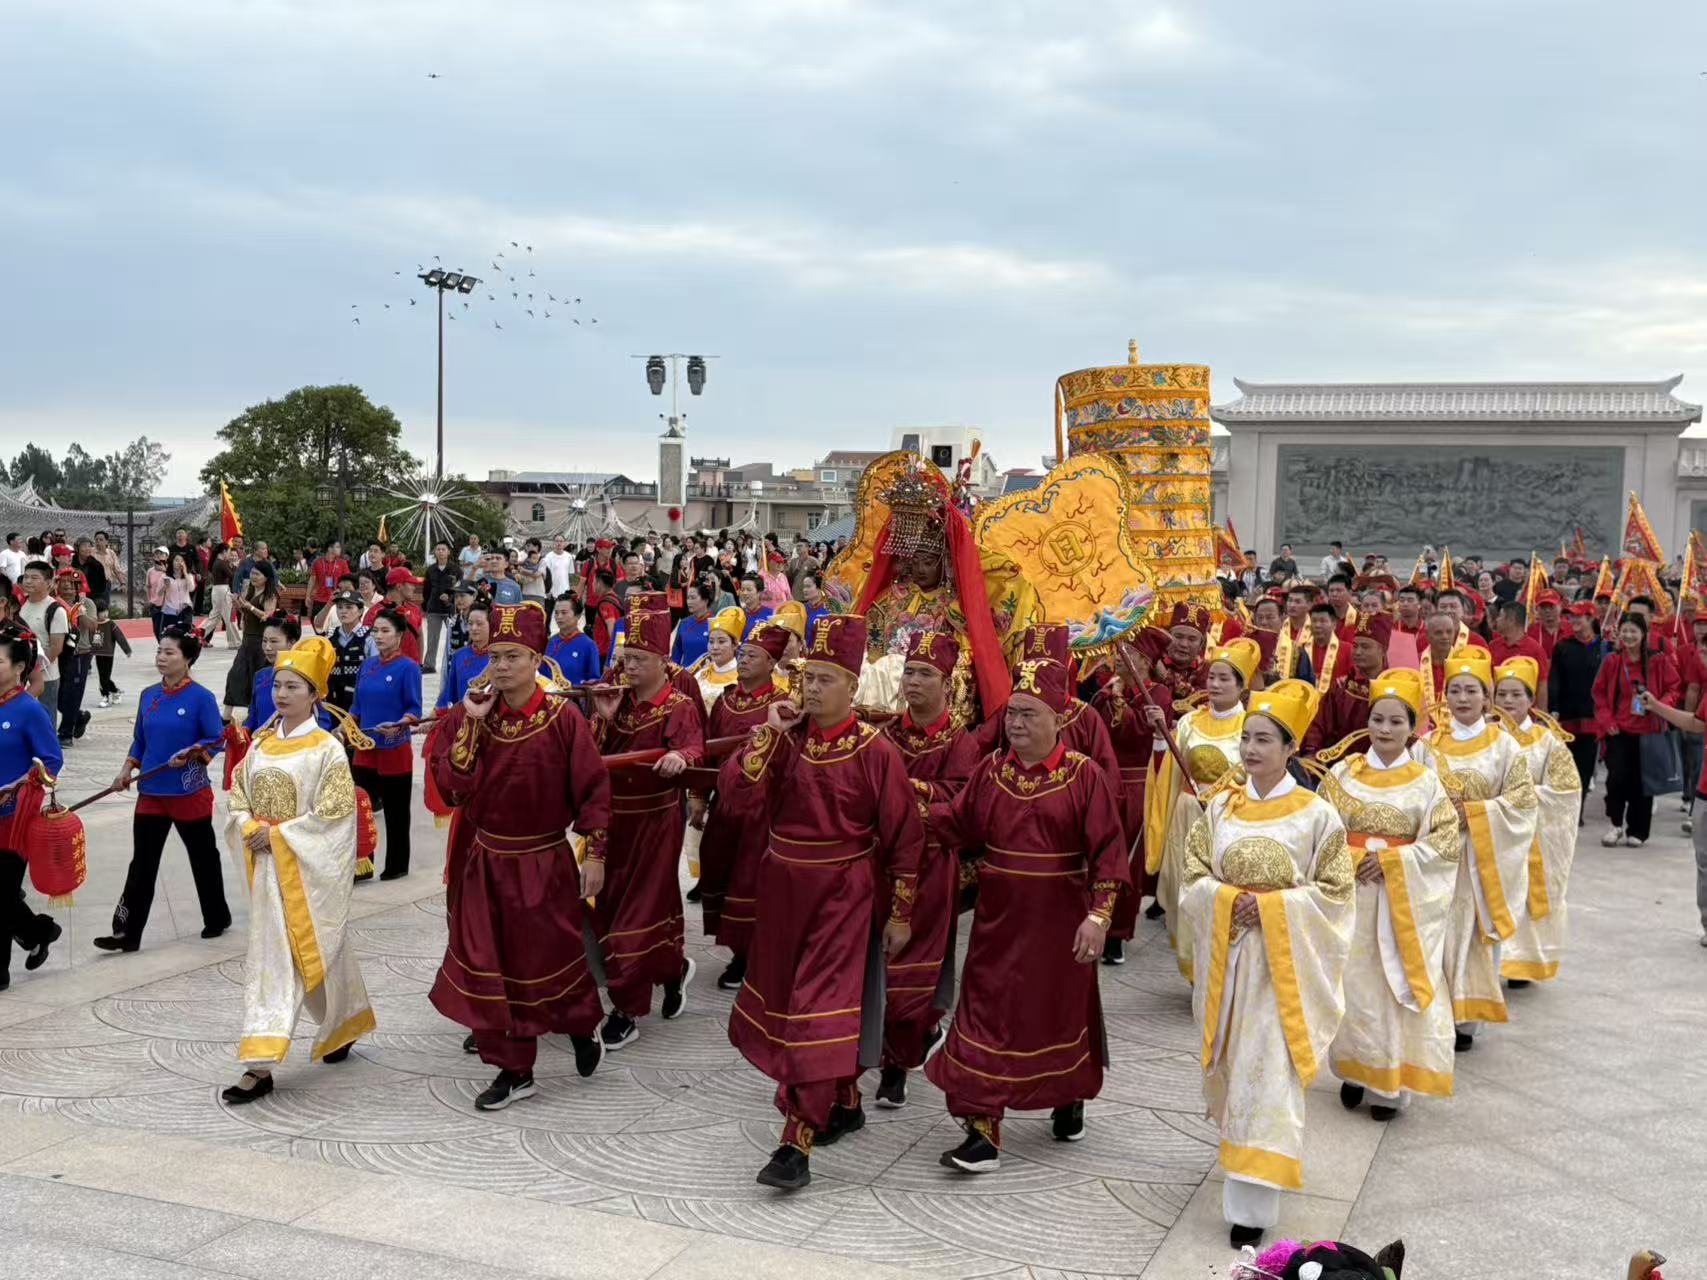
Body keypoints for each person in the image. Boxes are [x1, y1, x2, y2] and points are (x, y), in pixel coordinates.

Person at [725, 613, 923, 1190]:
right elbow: (737, 796)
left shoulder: (875, 751)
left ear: (852, 687)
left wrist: (901, 910)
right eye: (807, 677)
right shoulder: (786, 740)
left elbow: (905, 837)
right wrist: (768, 732)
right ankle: (846, 1097)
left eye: (825, 679)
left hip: (842, 893)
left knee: (814, 1013)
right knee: (793, 1006)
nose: (811, 688)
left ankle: (796, 1141)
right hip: (784, 889)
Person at [916, 653, 1126, 1172]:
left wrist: (1098, 917)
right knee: (983, 1013)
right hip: (997, 920)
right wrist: (904, 805)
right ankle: (982, 1128)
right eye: (1012, 713)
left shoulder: (1084, 777)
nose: (1016, 723)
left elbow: (1108, 854)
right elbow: (958, 824)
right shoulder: (992, 770)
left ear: (1058, 717)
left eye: (1029, 713)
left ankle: (1066, 1094)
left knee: (1052, 1014)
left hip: (1059, 921)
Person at [1178, 679, 1353, 1246]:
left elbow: (1334, 892)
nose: (1250, 750)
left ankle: (1252, 1207)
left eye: (1263, 740)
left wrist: (1274, 907)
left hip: (1285, 965)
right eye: (1246, 739)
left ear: (1288, 748)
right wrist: (1228, 901)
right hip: (1230, 959)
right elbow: (1194, 875)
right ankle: (1241, 1180)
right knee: (1235, 1067)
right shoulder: (1221, 808)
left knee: (1269, 1074)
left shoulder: (1316, 815)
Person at [428, 600, 612, 1109]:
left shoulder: (562, 718)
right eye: (496, 655)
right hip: (487, 859)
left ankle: (579, 1025)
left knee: (550, 957)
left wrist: (594, 854)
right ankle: (514, 1068)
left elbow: (594, 789)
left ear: (537, 660)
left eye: (514, 655)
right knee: (491, 962)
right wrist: (469, 721)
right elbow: (453, 784)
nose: (502, 665)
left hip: (544, 857)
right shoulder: (475, 714)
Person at [221, 637, 375, 1103]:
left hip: (304, 867)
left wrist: (281, 836)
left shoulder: (326, 749)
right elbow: (237, 793)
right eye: (278, 685)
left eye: (294, 686)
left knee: (308, 947)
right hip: (269, 866)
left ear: (315, 694)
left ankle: (262, 1059)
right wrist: (248, 824)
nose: (282, 694)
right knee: (285, 954)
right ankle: (316, 1033)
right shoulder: (263, 743)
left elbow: (334, 813)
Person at [1316, 668, 1459, 1123]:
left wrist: (1396, 863)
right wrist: (1352, 860)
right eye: (1378, 719)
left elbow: (1443, 842)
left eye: (1397, 722)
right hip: (1352, 896)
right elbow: (1319, 831)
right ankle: (1353, 1071)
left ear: (1412, 726)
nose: (1384, 730)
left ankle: (1389, 1084)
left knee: (1390, 986)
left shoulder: (1425, 781)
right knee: (1351, 985)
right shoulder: (1342, 774)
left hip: (1400, 904)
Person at [585, 596, 705, 1048]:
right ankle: (672, 970)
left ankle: (626, 1008)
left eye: (638, 659)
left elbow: (695, 746)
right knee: (616, 906)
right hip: (613, 821)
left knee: (638, 910)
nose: (628, 667)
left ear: (662, 660)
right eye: (624, 658)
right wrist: (605, 718)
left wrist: (679, 755)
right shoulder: (616, 697)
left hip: (656, 821)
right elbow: (592, 757)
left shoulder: (677, 704)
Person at [874, 630, 980, 1111]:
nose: (913, 681)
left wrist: (905, 792)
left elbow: (961, 802)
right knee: (880, 961)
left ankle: (900, 1061)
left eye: (925, 674)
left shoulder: (961, 742)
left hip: (933, 867)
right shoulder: (885, 734)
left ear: (947, 682)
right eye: (909, 672)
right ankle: (891, 1052)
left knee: (915, 967)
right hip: (884, 863)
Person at [1422, 646, 1537, 1051]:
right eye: (1455, 690)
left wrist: (1476, 814)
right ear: (1445, 695)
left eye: (1472, 690)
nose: (1463, 699)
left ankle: (1466, 1020)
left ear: (1486, 697)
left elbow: (1523, 800)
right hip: (1437, 856)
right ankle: (1434, 1013)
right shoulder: (1428, 744)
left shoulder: (1504, 745)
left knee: (1471, 933)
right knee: (1434, 932)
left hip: (1480, 858)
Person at [95, 629, 231, 953]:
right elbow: (140, 739)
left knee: (203, 858)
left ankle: (216, 916)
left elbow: (217, 739)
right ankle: (126, 932)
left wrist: (192, 751)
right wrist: (127, 769)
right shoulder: (148, 695)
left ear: (187, 659)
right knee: (142, 862)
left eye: (170, 653)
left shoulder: (201, 698)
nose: (161, 658)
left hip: (188, 792)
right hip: (152, 791)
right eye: (159, 651)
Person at [1145, 637, 1259, 974]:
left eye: (1225, 678)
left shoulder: (1250, 727)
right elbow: (1165, 775)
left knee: (1224, 896)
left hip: (1231, 820)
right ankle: (1194, 971)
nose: (1216, 684)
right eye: (1212, 677)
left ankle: (1222, 970)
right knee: (1188, 895)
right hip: (1187, 816)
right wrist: (1159, 735)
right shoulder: (1190, 723)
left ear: (1242, 685)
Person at [695, 622, 794, 986]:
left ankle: (752, 956)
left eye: (753, 655)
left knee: (751, 883)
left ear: (771, 663)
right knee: (721, 870)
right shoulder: (724, 699)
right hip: (725, 805)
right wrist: (697, 797)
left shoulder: (782, 706)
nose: (744, 659)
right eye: (743, 654)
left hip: (764, 812)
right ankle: (738, 950)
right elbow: (707, 750)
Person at [1492, 657, 1582, 988]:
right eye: (1502, 694)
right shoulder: (1485, 737)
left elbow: (1566, 791)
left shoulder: (1547, 741)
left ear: (1531, 700)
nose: (1509, 702)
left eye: (1517, 695)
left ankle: (1522, 961)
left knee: (1527, 896)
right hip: (1493, 834)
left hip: (1531, 837)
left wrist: (1521, 797)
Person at [0, 631, 63, 991]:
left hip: (15, 814)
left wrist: (21, 784)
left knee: (1, 890)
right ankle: (38, 930)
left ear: (20, 667)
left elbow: (51, 760)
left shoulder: (29, 710)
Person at [1592, 610, 1680, 848]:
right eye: (1625, 631)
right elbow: (1598, 693)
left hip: (1649, 732)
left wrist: (1660, 705)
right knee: (1617, 779)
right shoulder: (1612, 661)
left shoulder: (1658, 660)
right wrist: (1607, 721)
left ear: (1644, 634)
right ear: (1619, 633)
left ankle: (1638, 831)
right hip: (1618, 731)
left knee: (1643, 783)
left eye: (1634, 631)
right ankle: (1615, 824)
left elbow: (1674, 688)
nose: (1628, 635)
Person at [349, 610, 423, 880]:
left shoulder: (408, 667)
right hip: (365, 748)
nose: (378, 636)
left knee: (395, 812)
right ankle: (362, 864)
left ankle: (397, 864)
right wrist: (343, 726)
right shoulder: (366, 666)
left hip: (394, 749)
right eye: (375, 631)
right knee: (361, 809)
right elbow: (356, 707)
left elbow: (414, 709)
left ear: (399, 635)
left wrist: (398, 724)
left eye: (385, 631)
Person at [1303, 612, 1389, 755]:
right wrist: (1311, 752)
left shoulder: (1395, 686)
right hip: (1341, 764)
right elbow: (1319, 723)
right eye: (1355, 646)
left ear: (1383, 650)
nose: (1358, 652)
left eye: (1365, 647)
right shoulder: (1342, 686)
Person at [1548, 601, 1605, 805]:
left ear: (1591, 618)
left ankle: (1578, 808)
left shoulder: (1603, 647)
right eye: (1570, 616)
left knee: (1585, 765)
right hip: (1566, 715)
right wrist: (1553, 708)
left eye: (1578, 616)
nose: (1573, 621)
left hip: (1592, 716)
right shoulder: (1563, 646)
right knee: (1564, 764)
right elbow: (1554, 680)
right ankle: (1565, 804)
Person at [224, 560, 279, 720]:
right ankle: (226, 717)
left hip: (260, 643)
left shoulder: (270, 594)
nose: (253, 577)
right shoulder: (250, 590)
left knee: (257, 681)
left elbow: (267, 615)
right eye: (252, 573)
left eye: (257, 574)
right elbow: (246, 610)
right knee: (235, 676)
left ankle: (255, 716)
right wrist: (239, 606)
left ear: (266, 577)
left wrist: (250, 607)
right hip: (246, 641)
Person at [53, 569, 96, 748]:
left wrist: (79, 612)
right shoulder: (53, 604)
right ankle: (78, 716)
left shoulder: (87, 603)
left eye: (72, 583)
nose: (67, 585)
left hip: (80, 653)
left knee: (72, 693)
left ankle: (65, 733)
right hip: (59, 652)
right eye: (63, 582)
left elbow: (93, 626)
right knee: (58, 695)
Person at [1487, 601, 1549, 712]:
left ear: (1510, 621)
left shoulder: (1535, 650)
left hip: (1526, 714)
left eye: (1500, 616)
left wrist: (1541, 714)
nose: (1497, 620)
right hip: (1497, 713)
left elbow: (1542, 684)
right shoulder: (1493, 646)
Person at [439, 599, 491, 711]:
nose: (473, 628)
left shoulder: (498, 656)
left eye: (479, 623)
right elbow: (449, 692)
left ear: (491, 625)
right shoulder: (459, 655)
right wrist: (436, 713)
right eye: (470, 623)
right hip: (462, 720)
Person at [689, 607, 744, 711]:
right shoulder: (700, 674)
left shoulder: (742, 679)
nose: (715, 647)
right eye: (711, 641)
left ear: (735, 645)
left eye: (721, 641)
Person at [422, 542, 460, 674]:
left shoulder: (456, 570)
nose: (440, 551)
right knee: (432, 638)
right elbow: (426, 589)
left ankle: (456, 663)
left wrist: (449, 596)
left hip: (451, 609)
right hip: (433, 608)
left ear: (448, 552)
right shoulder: (430, 569)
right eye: (438, 549)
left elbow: (459, 588)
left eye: (443, 549)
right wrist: (426, 604)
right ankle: (429, 665)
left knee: (454, 637)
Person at [91, 605, 133, 709]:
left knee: (105, 676)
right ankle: (115, 691)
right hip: (98, 654)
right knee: (103, 676)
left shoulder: (110, 624)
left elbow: (120, 637)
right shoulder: (93, 624)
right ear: (96, 613)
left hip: (108, 655)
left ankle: (105, 697)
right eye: (102, 612)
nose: (105, 614)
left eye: (106, 612)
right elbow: (89, 638)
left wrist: (127, 650)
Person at [202, 544, 239, 648]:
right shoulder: (221, 563)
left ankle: (198, 635)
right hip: (223, 590)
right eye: (228, 552)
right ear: (223, 551)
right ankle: (235, 642)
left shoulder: (217, 562)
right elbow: (232, 575)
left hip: (217, 590)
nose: (229, 554)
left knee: (214, 617)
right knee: (229, 617)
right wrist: (235, 566)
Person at [670, 583, 713, 670]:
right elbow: (676, 655)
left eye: (693, 598)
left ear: (705, 600)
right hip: (687, 675)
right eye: (688, 598)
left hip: (708, 677)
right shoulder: (684, 623)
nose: (689, 602)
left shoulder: (715, 623)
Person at [310, 541, 350, 628]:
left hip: (335, 599)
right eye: (338, 547)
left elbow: (347, 581)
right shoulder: (318, 562)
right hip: (319, 599)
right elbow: (312, 579)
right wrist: (307, 596)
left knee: (333, 625)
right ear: (330, 548)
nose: (340, 549)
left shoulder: (342, 563)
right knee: (316, 624)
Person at [736, 572, 773, 638]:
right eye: (742, 589)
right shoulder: (737, 615)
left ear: (759, 592)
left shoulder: (771, 615)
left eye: (749, 590)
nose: (744, 593)